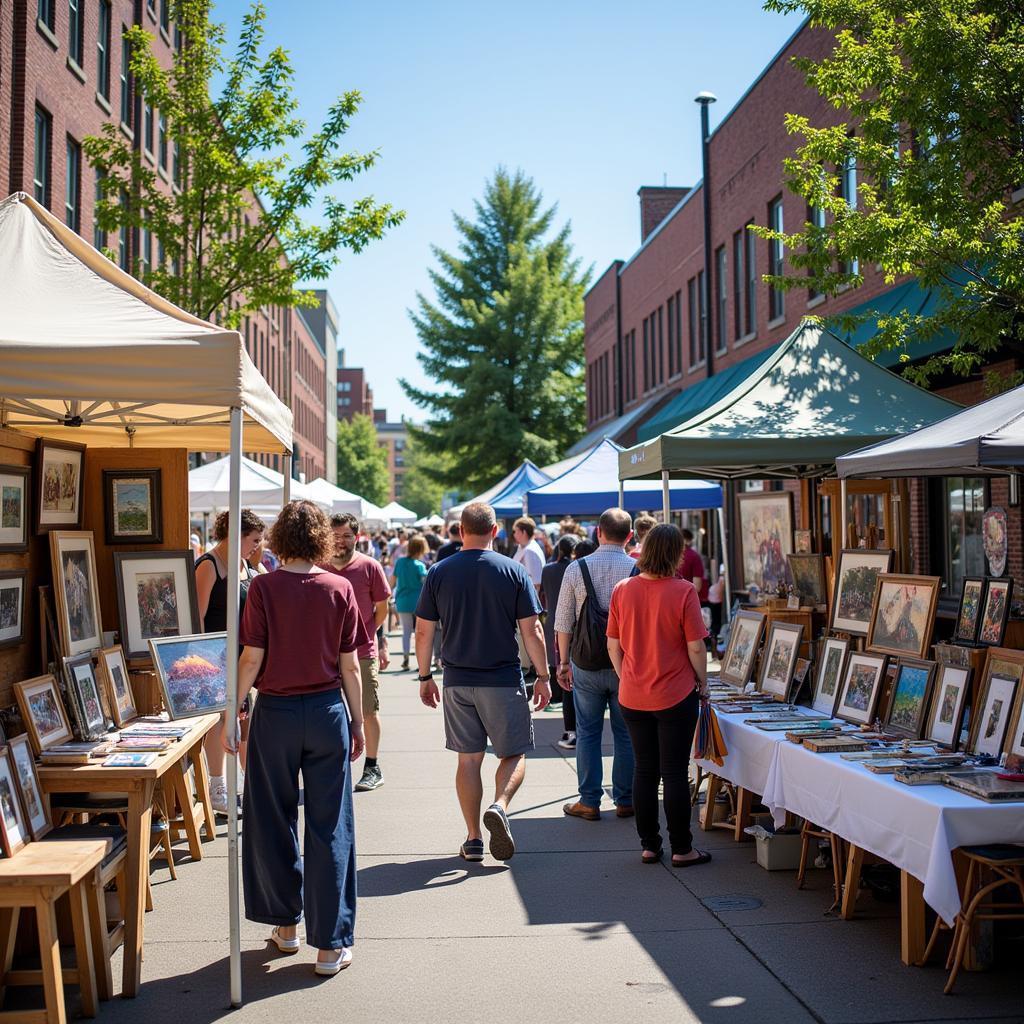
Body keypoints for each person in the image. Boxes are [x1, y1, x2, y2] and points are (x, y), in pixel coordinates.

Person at [224, 499, 369, 975]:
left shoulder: (263, 587)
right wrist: (359, 720)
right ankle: (329, 945)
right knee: (330, 825)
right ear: (321, 539)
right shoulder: (339, 587)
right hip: (328, 710)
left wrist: (232, 711)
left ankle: (285, 926)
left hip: (277, 713)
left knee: (271, 816)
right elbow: (350, 665)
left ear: (280, 539)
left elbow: (251, 659)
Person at [413, 502, 550, 862]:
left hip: (457, 680)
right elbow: (532, 629)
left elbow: (424, 630)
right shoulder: (512, 571)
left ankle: (473, 838)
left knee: (468, 760)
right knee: (513, 752)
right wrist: (544, 675)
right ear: (496, 531)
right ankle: (500, 806)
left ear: (460, 530)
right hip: (503, 678)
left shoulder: (439, 572)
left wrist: (425, 675)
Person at [607, 524, 711, 867]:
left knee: (645, 770)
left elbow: (613, 643)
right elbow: (696, 647)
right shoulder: (683, 591)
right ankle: (683, 848)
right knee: (675, 772)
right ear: (675, 553)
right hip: (675, 693)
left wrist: (626, 677)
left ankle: (649, 844)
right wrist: (704, 682)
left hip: (633, 695)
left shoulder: (623, 589)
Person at [554, 508, 636, 821]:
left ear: (598, 533)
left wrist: (563, 663)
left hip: (585, 662)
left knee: (587, 732)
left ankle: (589, 801)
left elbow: (563, 621)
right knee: (625, 733)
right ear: (630, 536)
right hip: (625, 665)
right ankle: (625, 798)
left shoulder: (577, 569)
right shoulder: (637, 569)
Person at [195, 508, 265, 815]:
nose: (256, 547)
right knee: (222, 721)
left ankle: (252, 788)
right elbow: (197, 619)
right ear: (235, 535)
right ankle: (217, 786)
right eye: (253, 540)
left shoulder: (248, 568)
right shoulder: (209, 566)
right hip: (213, 658)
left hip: (242, 658)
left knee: (244, 721)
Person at [323, 513, 392, 793]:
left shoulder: (370, 567)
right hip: (324, 653)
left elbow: (383, 608)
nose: (341, 541)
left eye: (346, 536)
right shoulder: (319, 566)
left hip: (362, 652)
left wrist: (366, 635)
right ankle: (331, 767)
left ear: (357, 537)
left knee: (367, 709)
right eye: (336, 536)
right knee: (328, 711)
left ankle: (372, 766)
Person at [541, 535, 578, 750]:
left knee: (557, 663)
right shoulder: (574, 569)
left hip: (553, 618)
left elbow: (543, 593)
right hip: (572, 624)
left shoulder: (548, 569)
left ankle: (555, 692)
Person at [391, 534, 428, 671]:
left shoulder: (400, 562)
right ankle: (421, 662)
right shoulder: (420, 566)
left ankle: (406, 657)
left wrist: (389, 594)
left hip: (402, 600)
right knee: (420, 632)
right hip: (418, 601)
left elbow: (393, 580)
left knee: (406, 631)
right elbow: (425, 585)